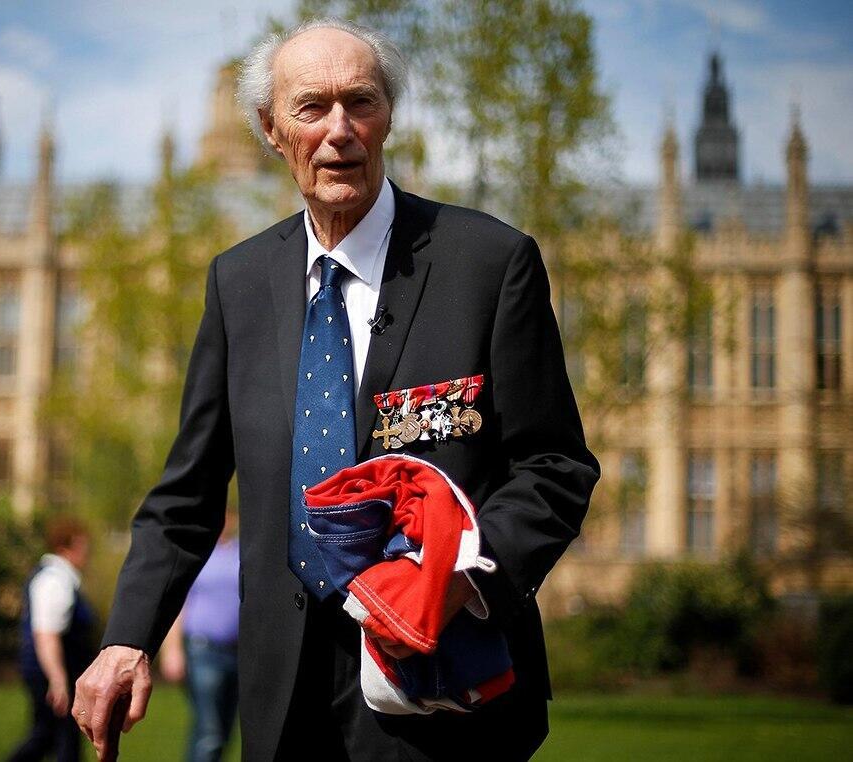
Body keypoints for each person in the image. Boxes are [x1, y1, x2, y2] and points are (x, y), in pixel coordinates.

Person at [74, 17, 601, 762]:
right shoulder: (239, 281)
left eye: (361, 103)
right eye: (311, 108)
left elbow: (554, 466)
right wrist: (128, 637)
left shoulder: (488, 263)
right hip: (283, 696)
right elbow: (185, 497)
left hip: (444, 686)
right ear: (270, 129)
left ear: (389, 117)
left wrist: (461, 578)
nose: (340, 131)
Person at [8, 516, 96, 762]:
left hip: (54, 672)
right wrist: (58, 680)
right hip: (52, 673)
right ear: (64, 548)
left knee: (47, 736)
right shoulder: (54, 580)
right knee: (60, 739)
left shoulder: (61, 577)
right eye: (83, 547)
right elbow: (47, 634)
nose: (87, 554)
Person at [160, 514, 240, 762]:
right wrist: (171, 651)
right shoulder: (197, 555)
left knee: (224, 731)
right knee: (210, 732)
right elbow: (176, 605)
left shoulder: (240, 552)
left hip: (236, 653)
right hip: (203, 650)